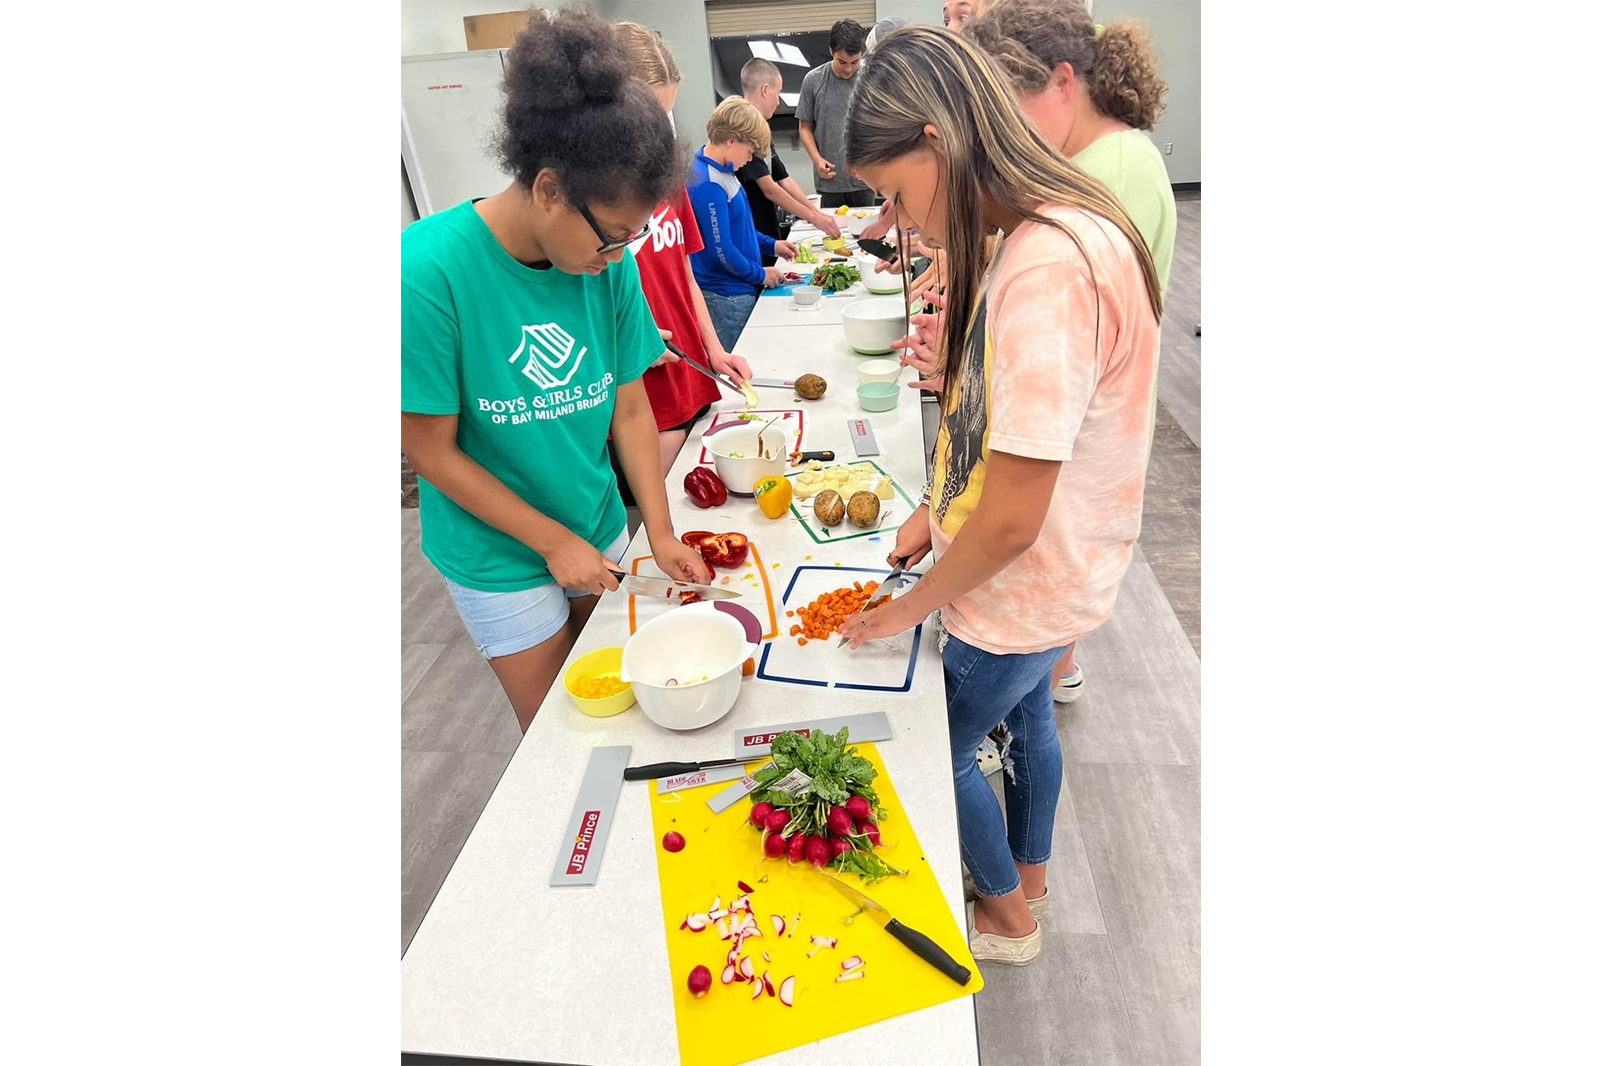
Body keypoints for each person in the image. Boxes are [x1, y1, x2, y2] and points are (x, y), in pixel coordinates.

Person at [839, 26, 1162, 965]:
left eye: (896, 194)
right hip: (1063, 581)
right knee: (1024, 721)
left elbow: (1014, 517)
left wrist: (909, 608)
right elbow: (1002, 438)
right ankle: (1033, 877)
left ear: (939, 139)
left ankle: (1010, 921)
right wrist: (932, 517)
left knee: (934, 743)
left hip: (1018, 587)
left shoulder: (1047, 266)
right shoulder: (1058, 224)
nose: (899, 220)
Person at [401, 8, 713, 733]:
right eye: (611, 238)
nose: (619, 258)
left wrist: (658, 534)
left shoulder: (609, 265)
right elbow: (430, 451)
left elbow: (630, 409)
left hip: (593, 520)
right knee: (563, 730)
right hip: (497, 551)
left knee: (629, 702)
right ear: (547, 189)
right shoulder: (427, 271)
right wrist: (549, 542)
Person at [968, 0, 1177, 702]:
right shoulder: (1088, 161)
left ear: (1063, 84)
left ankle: (1049, 668)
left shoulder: (1111, 170)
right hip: (1073, 435)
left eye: (1007, 110)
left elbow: (1074, 326)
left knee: (1040, 643)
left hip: (1080, 442)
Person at [613, 21, 754, 476]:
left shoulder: (668, 178)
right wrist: (631, 339)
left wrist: (714, 349)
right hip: (640, 390)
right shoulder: (588, 197)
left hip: (690, 373)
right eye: (648, 114)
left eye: (666, 116)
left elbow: (684, 273)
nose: (658, 131)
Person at [687, 97, 798, 350]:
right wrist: (761, 274)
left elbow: (740, 230)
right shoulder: (708, 184)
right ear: (731, 141)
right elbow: (721, 252)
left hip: (739, 289)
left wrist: (773, 246)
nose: (750, 159)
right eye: (750, 152)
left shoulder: (724, 171)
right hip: (727, 297)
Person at [735, 57, 842, 260]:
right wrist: (812, 217)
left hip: (768, 227)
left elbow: (784, 179)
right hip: (752, 230)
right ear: (765, 90)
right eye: (778, 93)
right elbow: (770, 189)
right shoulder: (744, 128)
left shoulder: (761, 126)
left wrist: (817, 215)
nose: (778, 101)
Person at [796, 20, 874, 209]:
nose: (848, 69)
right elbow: (805, 128)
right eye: (842, 62)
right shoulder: (813, 80)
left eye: (854, 62)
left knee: (867, 235)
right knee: (831, 235)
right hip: (829, 182)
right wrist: (817, 160)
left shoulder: (871, 78)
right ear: (831, 51)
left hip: (866, 179)